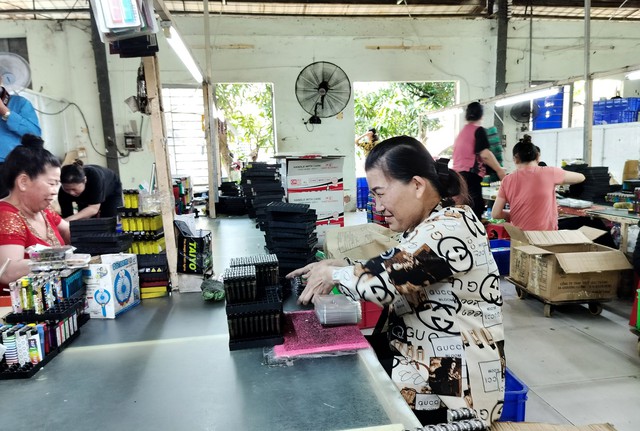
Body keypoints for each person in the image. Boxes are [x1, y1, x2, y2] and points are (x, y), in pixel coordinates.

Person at [287, 136, 505, 425]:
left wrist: (332, 274)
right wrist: (342, 265)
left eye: (380, 193)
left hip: (451, 394)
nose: (377, 206)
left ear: (417, 185)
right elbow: (398, 267)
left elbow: (383, 284)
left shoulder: (450, 229)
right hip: (422, 367)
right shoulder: (429, 224)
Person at [0, 134, 70, 290]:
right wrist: (62, 261)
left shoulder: (44, 211)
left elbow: (68, 231)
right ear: (23, 182)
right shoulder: (6, 216)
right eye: (52, 183)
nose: (54, 191)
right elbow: (7, 271)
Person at [491, 135, 585, 230]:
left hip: (519, 238)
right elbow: (581, 177)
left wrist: (513, 214)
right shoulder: (549, 172)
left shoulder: (507, 180)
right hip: (546, 239)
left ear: (515, 159)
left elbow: (496, 214)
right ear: (537, 157)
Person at [452, 102, 506, 218]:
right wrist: (499, 170)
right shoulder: (478, 130)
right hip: (470, 176)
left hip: (457, 178)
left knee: (462, 212)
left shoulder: (461, 134)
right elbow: (485, 154)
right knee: (474, 211)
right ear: (481, 116)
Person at [0, 71, 42, 198]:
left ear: (0, 80)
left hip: (9, 166)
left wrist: (5, 112)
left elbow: (34, 133)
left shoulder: (20, 103)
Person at [58, 160, 123, 221]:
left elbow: (94, 209)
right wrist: (67, 220)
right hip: (86, 194)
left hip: (111, 190)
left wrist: (70, 219)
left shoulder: (95, 178)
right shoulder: (63, 193)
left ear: (85, 180)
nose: (71, 193)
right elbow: (67, 216)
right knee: (84, 220)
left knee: (109, 219)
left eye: (74, 189)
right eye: (67, 189)